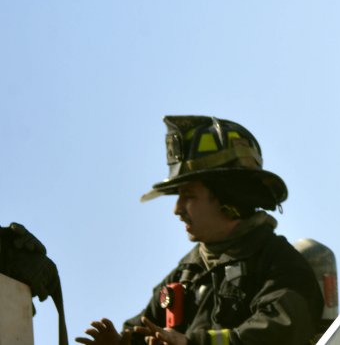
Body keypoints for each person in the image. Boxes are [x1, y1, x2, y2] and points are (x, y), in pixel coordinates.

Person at [76, 116, 323, 345]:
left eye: (188, 195)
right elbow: (147, 328)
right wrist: (123, 342)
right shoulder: (186, 275)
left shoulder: (277, 264)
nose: (177, 209)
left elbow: (280, 331)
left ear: (229, 197)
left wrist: (193, 343)